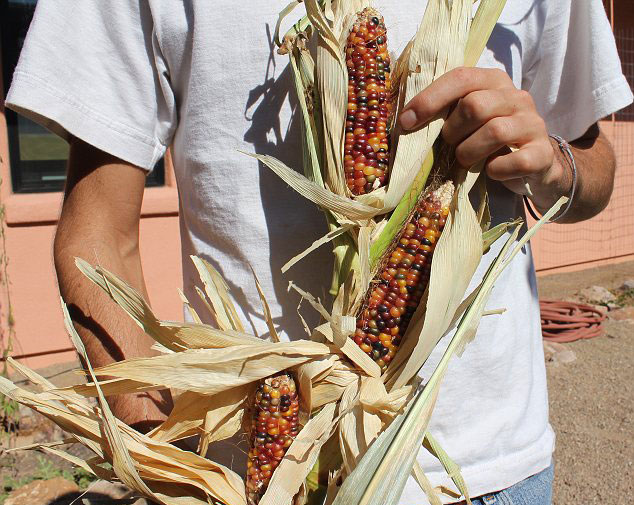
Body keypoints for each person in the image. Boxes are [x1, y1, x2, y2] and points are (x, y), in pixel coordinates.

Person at [5, 1, 631, 503]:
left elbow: (593, 170)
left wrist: (552, 164)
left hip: (493, 470)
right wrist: (160, 461)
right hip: (250, 475)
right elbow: (97, 237)